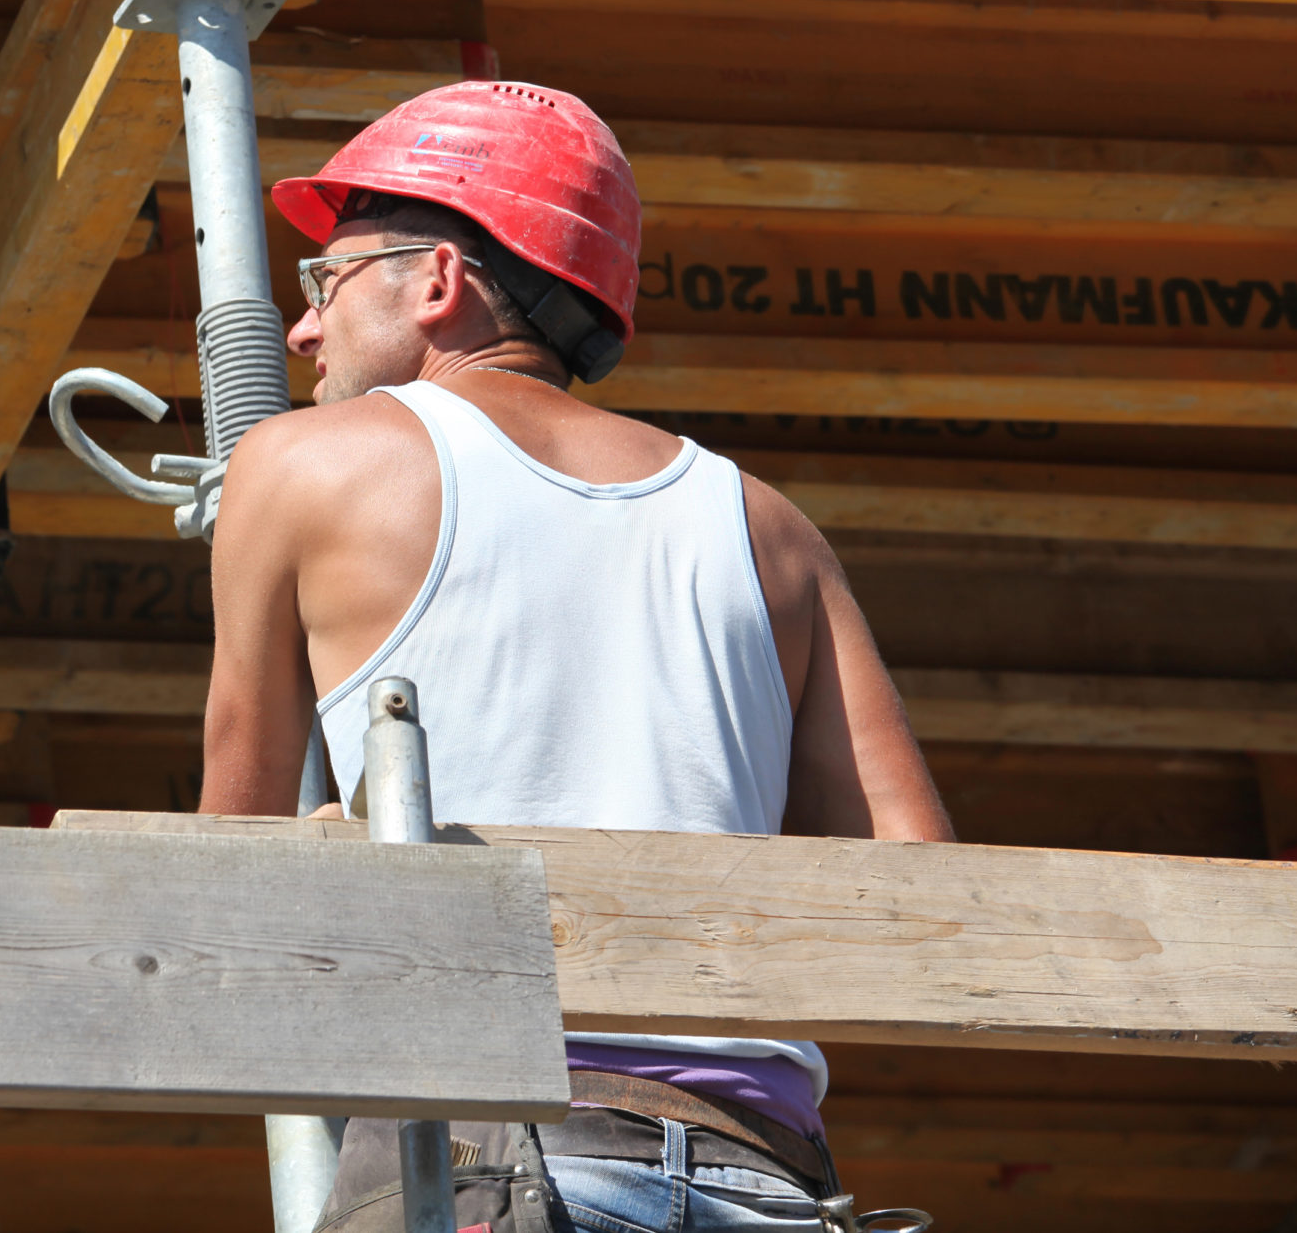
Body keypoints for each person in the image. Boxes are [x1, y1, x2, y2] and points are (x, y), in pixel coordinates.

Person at [197, 80, 955, 1232]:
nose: (303, 326)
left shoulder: (303, 464)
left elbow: (221, 880)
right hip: (766, 1175)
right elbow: (929, 900)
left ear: (440, 280)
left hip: (481, 1160)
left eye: (325, 281)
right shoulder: (768, 528)